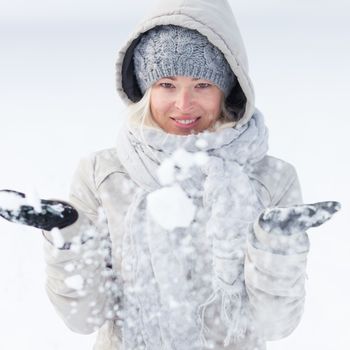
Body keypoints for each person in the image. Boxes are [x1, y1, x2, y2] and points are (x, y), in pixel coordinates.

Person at [0, 0, 341, 349]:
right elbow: (84, 317)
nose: (183, 104)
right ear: (147, 90)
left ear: (228, 89)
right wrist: (68, 238)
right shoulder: (104, 175)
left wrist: (276, 246)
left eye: (203, 85)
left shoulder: (270, 180)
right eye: (166, 84)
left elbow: (274, 324)